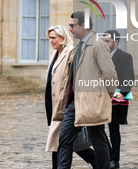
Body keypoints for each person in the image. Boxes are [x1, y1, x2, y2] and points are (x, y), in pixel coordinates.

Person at [53, 11, 117, 169]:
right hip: (74, 103)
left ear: (83, 25)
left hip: (91, 102)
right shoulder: (77, 46)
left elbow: (110, 74)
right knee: (64, 139)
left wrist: (105, 97)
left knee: (98, 141)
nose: (70, 29)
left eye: (72, 25)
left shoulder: (98, 45)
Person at [45, 25, 98, 169]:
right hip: (54, 103)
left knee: (62, 139)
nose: (51, 41)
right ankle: (97, 161)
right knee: (63, 139)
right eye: (50, 38)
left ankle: (97, 160)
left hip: (66, 103)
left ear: (62, 38)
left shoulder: (71, 52)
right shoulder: (54, 54)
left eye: (53, 38)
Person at [103, 30, 135, 169]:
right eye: (103, 41)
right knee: (96, 128)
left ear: (115, 42)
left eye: (107, 41)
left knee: (113, 129)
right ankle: (106, 154)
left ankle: (114, 159)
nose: (104, 44)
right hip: (100, 97)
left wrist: (123, 93)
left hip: (116, 98)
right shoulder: (100, 56)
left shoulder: (125, 56)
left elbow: (129, 76)